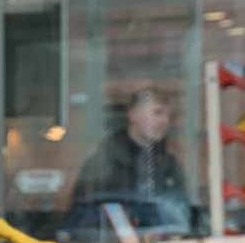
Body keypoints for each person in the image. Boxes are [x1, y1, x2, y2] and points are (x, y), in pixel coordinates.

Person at [72, 87, 192, 231]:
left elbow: (182, 214)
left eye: (169, 116)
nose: (164, 121)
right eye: (157, 113)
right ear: (133, 115)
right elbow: (84, 215)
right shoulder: (104, 162)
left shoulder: (169, 165)